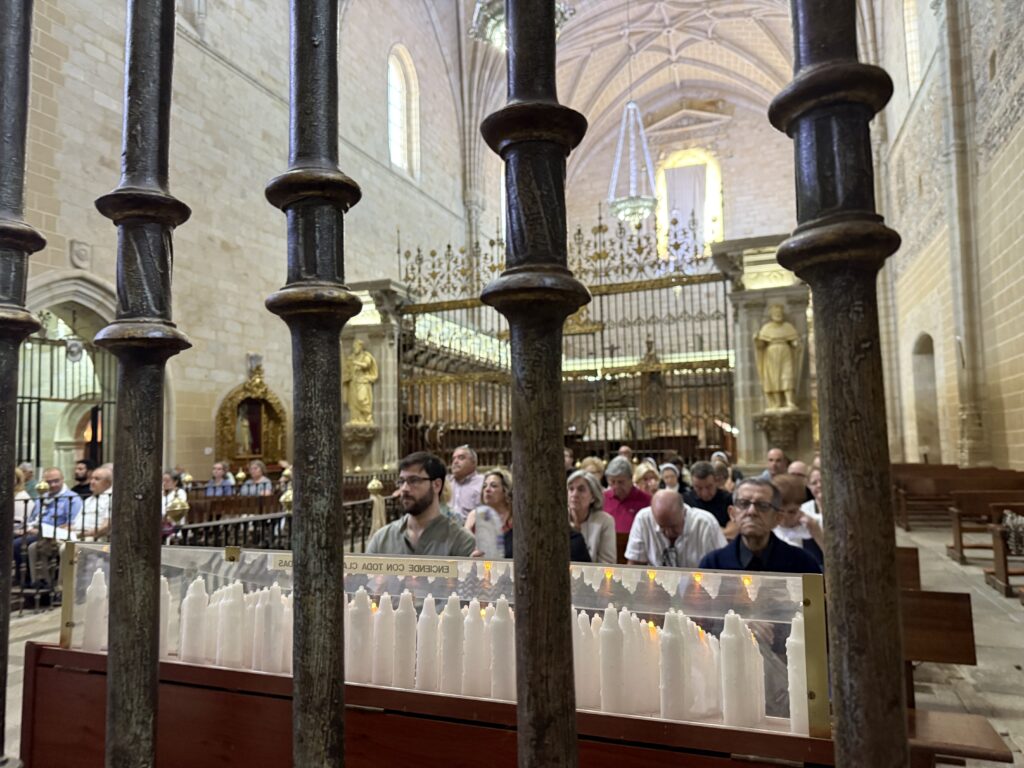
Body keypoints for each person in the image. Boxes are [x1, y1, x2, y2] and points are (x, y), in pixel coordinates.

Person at [698, 478, 821, 574]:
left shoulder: (803, 564)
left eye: (762, 505)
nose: (751, 511)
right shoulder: (713, 565)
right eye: (744, 503)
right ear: (733, 514)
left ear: (777, 518)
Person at [366, 452, 476, 556]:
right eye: (401, 481)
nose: (404, 488)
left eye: (414, 480)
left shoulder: (462, 542)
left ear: (436, 485)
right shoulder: (382, 539)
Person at [14, 468, 83, 586]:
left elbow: (71, 524)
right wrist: (27, 528)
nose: (53, 485)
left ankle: (26, 580)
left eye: (56, 481)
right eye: (49, 482)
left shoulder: (72, 498)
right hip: (35, 530)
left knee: (18, 544)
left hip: (53, 533)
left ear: (62, 479)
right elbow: (33, 518)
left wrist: (42, 530)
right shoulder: (42, 496)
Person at [625, 489, 726, 568]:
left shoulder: (706, 524)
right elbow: (634, 564)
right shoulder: (643, 519)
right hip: (656, 585)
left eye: (673, 526)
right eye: (662, 527)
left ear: (684, 512)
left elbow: (722, 566)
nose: (668, 533)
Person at [754, 303, 800, 410]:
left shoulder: (788, 327)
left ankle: (789, 401)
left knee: (787, 374)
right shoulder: (766, 328)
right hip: (771, 355)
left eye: (780, 313)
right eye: (775, 313)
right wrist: (756, 340)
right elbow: (760, 345)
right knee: (773, 377)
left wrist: (796, 344)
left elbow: (794, 341)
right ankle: (777, 403)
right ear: (771, 314)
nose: (778, 314)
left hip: (785, 352)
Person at [772, 473, 824, 567]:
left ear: (800, 507)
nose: (785, 518)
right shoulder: (767, 527)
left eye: (792, 512)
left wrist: (817, 533)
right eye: (780, 512)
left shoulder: (816, 523)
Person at [567, 470, 616, 564]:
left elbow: (607, 563)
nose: (574, 494)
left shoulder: (605, 521)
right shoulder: (558, 520)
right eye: (571, 489)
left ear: (593, 497)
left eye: (581, 490)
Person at [465, 468, 514, 560]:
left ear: (505, 490)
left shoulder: (515, 517)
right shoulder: (474, 516)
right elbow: (465, 549)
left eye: (494, 486)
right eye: (484, 486)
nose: (487, 489)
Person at [602, 455, 651, 534]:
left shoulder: (647, 501)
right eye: (612, 482)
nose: (616, 486)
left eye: (621, 482)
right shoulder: (602, 498)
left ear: (631, 479)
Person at [684, 461, 735, 533]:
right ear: (692, 484)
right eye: (699, 488)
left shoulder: (729, 500)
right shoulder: (685, 501)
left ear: (716, 481)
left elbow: (733, 532)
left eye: (709, 487)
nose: (704, 493)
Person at [342, 339, 379, 425]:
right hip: (353, 382)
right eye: (353, 347)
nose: (354, 348)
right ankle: (355, 418)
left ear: (360, 347)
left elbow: (366, 365)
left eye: (356, 347)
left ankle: (367, 416)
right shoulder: (351, 357)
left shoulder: (366, 356)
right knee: (353, 402)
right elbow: (347, 367)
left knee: (361, 399)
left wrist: (356, 363)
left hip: (362, 381)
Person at [447, 445, 483, 523]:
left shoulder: (483, 483)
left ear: (473, 462)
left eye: (461, 458)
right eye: (453, 459)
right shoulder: (446, 483)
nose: (455, 462)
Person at [78, 464, 114, 542]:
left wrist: (85, 534)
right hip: (78, 534)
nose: (92, 482)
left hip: (97, 538)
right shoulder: (88, 500)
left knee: (67, 546)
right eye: (91, 478)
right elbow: (76, 523)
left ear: (108, 483)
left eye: (97, 479)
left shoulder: (112, 498)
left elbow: (106, 526)